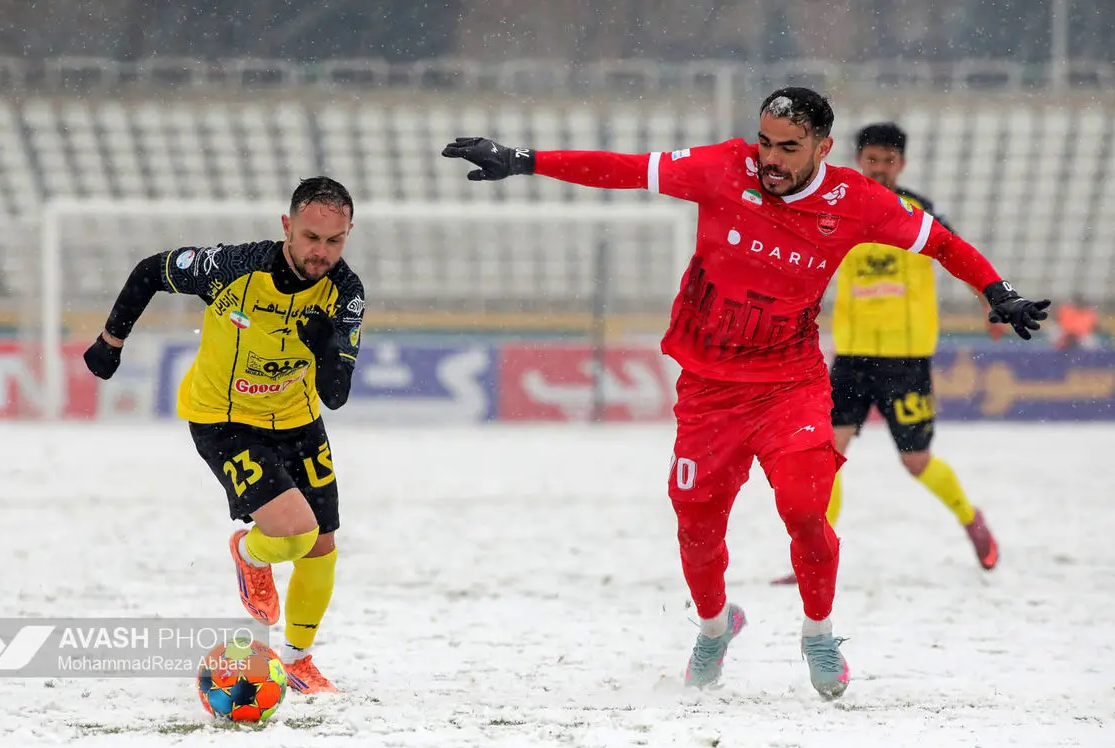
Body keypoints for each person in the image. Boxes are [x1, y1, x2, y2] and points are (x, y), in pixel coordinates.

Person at [442, 88, 1050, 701]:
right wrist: (524, 159)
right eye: (765, 142)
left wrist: (995, 291)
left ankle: (818, 633)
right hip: (708, 387)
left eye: (789, 147)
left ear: (823, 148)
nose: (771, 159)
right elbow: (628, 170)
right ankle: (715, 627)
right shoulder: (724, 168)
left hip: (791, 383)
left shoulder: (857, 200)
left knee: (806, 509)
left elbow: (940, 241)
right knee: (696, 522)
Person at [81, 177, 366, 695]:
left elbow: (336, 395)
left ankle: (299, 662)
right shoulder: (233, 268)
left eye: (335, 240)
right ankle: (251, 555)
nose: (321, 252)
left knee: (322, 546)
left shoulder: (345, 294)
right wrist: (111, 340)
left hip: (299, 419)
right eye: (310, 237)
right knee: (295, 532)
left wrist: (325, 346)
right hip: (224, 418)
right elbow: (151, 271)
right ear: (287, 227)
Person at [771, 122, 999, 588]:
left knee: (916, 461)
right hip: (852, 356)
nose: (879, 168)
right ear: (859, 160)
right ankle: (817, 552)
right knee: (827, 454)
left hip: (905, 358)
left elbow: (957, 254)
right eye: (871, 160)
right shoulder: (834, 210)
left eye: (887, 161)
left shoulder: (919, 212)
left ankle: (970, 519)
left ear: (902, 164)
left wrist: (988, 301)